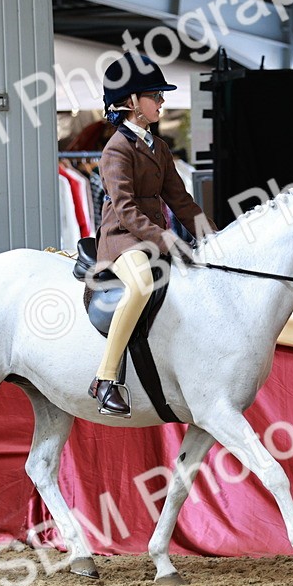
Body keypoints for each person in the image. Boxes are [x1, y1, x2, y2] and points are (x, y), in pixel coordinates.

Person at [89, 53, 216, 417]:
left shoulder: (158, 147)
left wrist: (213, 237)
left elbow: (181, 200)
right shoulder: (115, 149)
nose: (162, 101)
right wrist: (166, 239)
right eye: (156, 95)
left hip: (153, 236)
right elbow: (126, 210)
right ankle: (105, 379)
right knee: (142, 283)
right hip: (123, 238)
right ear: (131, 102)